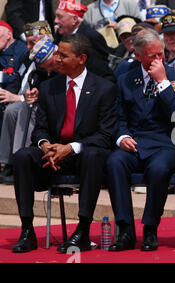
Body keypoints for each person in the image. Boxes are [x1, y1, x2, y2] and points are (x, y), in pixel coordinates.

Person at [11, 33, 118, 253]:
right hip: (52, 154)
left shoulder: (104, 88)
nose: (57, 58)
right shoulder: (50, 87)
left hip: (82, 154)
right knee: (22, 156)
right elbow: (40, 128)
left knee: (93, 154)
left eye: (63, 55)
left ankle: (83, 230)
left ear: (82, 59)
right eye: (57, 53)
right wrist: (44, 145)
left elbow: (105, 135)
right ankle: (27, 230)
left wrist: (70, 148)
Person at [106, 29, 175, 252]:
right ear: (138, 56)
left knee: (159, 169)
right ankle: (125, 229)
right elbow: (118, 116)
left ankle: (150, 228)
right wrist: (122, 137)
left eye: (160, 54)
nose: (158, 60)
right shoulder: (126, 80)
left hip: (166, 143)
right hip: (134, 142)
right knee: (115, 162)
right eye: (152, 56)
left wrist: (162, 82)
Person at [0, 21, 56, 185]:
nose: (29, 46)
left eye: (33, 42)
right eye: (28, 42)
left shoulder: (51, 56)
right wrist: (24, 95)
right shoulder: (29, 57)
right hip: (26, 97)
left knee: (18, 110)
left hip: (44, 102)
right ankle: (7, 162)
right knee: (14, 110)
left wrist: (21, 98)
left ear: (46, 40)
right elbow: (25, 82)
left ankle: (19, 162)